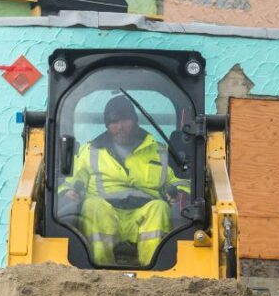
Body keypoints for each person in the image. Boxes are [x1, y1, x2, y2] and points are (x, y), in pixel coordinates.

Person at [60, 95, 189, 266]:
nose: (120, 127)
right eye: (113, 122)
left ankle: (155, 274)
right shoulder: (90, 151)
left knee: (160, 207)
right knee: (92, 206)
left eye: (125, 120)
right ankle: (99, 271)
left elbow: (179, 181)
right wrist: (68, 191)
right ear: (107, 125)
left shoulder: (159, 151)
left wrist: (177, 193)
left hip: (144, 210)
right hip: (106, 210)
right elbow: (72, 179)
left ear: (135, 120)